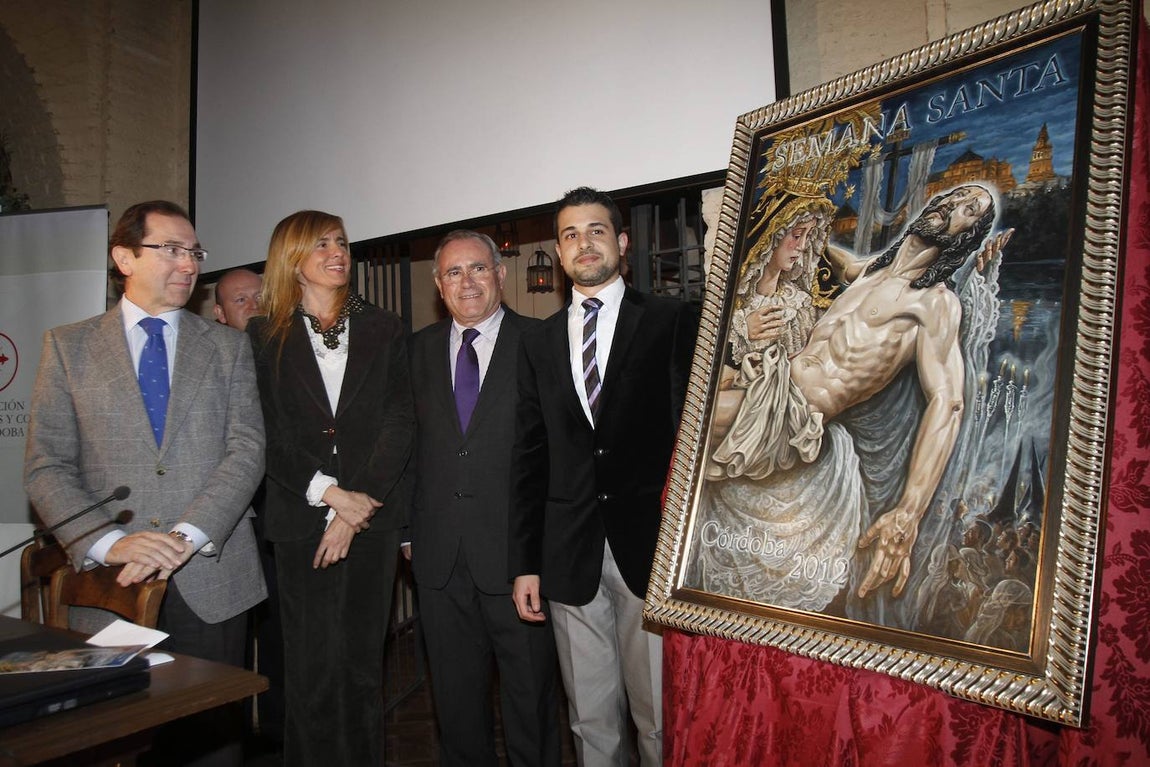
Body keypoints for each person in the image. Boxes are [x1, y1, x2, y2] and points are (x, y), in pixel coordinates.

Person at [24, 200, 267, 766]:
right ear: (124, 258)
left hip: (211, 575)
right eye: (172, 249)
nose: (189, 264)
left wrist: (185, 534)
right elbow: (46, 464)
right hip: (111, 582)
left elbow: (248, 450)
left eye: (194, 252)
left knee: (212, 744)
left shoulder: (228, 347)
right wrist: (111, 542)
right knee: (116, 744)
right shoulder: (68, 346)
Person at [709, 184, 1005, 600]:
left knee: (691, 431)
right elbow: (840, 258)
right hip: (768, 383)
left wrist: (908, 512)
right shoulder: (871, 272)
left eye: (969, 210)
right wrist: (793, 223)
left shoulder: (935, 303)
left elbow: (948, 401)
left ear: (967, 235)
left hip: (792, 415)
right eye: (951, 198)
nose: (950, 206)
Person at [509, 187, 696, 766]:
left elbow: (695, 437)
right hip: (569, 555)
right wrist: (525, 562)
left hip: (654, 550)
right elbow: (528, 457)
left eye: (595, 230)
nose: (582, 243)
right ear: (560, 255)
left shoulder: (672, 319)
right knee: (590, 722)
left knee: (658, 721)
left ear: (621, 241)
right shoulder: (536, 342)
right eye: (569, 235)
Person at [247, 210, 414, 767]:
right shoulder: (261, 335)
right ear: (291, 258)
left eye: (341, 241)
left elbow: (399, 423)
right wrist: (328, 494)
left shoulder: (385, 327)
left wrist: (353, 508)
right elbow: (264, 433)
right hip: (300, 521)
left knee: (363, 671)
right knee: (311, 673)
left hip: (371, 522)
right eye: (320, 243)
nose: (337, 251)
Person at [408, 230, 560, 767]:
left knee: (530, 699)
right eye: (453, 272)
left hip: (517, 562)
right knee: (455, 703)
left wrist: (538, 554)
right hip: (438, 558)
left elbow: (557, 458)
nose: (466, 281)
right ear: (438, 284)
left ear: (500, 274)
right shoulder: (416, 351)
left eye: (477, 269)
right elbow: (406, 450)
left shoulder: (543, 342)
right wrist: (407, 532)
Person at [212, 267, 284, 751]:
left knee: (280, 633)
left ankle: (279, 735)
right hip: (226, 525)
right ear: (219, 315)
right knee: (226, 647)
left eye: (261, 297)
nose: (255, 306)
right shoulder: (209, 366)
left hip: (283, 519)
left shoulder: (289, 357)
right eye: (242, 301)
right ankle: (230, 738)